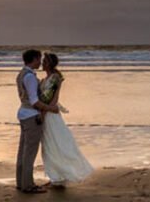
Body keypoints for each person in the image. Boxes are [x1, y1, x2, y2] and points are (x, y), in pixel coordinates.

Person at [39, 52, 94, 186]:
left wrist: (43, 113)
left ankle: (62, 174)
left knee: (57, 143)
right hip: (45, 111)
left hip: (50, 115)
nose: (42, 63)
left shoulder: (55, 78)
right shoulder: (44, 79)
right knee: (48, 145)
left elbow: (52, 99)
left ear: (49, 63)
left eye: (44, 61)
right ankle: (55, 176)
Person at [16, 49, 60, 194]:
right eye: (39, 59)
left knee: (23, 151)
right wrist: (50, 108)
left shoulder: (22, 74)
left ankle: (21, 183)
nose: (40, 62)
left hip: (23, 113)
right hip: (31, 116)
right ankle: (28, 186)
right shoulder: (29, 77)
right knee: (29, 153)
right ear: (34, 58)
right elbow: (35, 101)